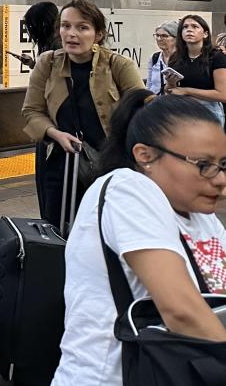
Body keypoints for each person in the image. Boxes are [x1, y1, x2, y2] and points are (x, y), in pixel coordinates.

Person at [50, 90, 226, 386]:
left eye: (223, 165)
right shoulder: (126, 189)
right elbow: (181, 311)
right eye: (203, 165)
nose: (220, 179)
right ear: (145, 155)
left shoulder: (201, 215)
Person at [21, 0, 145, 224]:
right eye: (66, 26)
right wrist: (55, 134)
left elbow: (143, 113)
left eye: (82, 27)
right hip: (60, 165)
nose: (71, 34)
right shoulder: (47, 64)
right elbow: (31, 111)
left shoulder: (119, 66)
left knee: (107, 228)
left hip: (109, 165)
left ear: (98, 34)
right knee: (58, 230)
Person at [168, 14, 226, 124]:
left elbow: (223, 94)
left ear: (205, 34)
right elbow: (171, 91)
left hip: (208, 113)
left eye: (195, 26)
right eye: (185, 27)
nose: (189, 30)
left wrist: (187, 91)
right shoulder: (176, 57)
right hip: (180, 112)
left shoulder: (217, 57)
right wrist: (171, 83)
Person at [147, 20, 180, 94]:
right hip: (155, 102)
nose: (159, 39)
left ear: (176, 38)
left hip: (175, 103)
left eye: (164, 36)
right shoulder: (154, 57)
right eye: (157, 35)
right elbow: (149, 84)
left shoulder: (183, 59)